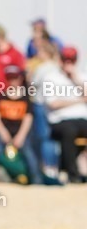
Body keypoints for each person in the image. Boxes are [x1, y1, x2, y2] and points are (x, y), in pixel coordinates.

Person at [33, 41, 87, 184]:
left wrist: (74, 77)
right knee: (69, 132)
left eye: (72, 59)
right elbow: (53, 103)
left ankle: (83, 167)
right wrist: (78, 101)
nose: (68, 63)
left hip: (82, 118)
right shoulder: (51, 78)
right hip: (60, 120)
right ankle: (72, 174)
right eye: (65, 59)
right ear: (60, 60)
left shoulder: (81, 76)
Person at [0, 65, 40, 185]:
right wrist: (3, 132)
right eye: (9, 78)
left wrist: (20, 136)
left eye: (15, 78)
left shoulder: (26, 98)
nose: (12, 81)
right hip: (3, 132)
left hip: (20, 133)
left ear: (20, 79)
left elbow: (28, 118)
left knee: (29, 153)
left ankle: (36, 181)